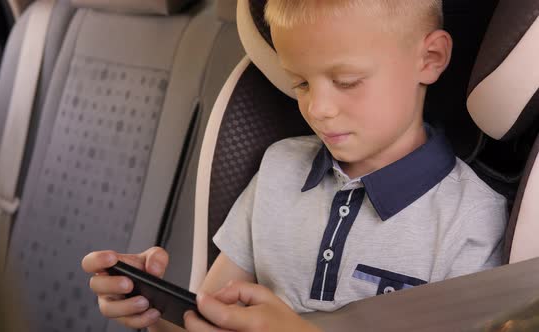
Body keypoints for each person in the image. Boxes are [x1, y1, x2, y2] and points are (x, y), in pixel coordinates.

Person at [82, 1, 507, 331]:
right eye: (300, 83)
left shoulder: (470, 219)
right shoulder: (278, 169)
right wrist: (151, 309)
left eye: (346, 82)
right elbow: (207, 319)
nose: (317, 109)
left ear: (429, 58)